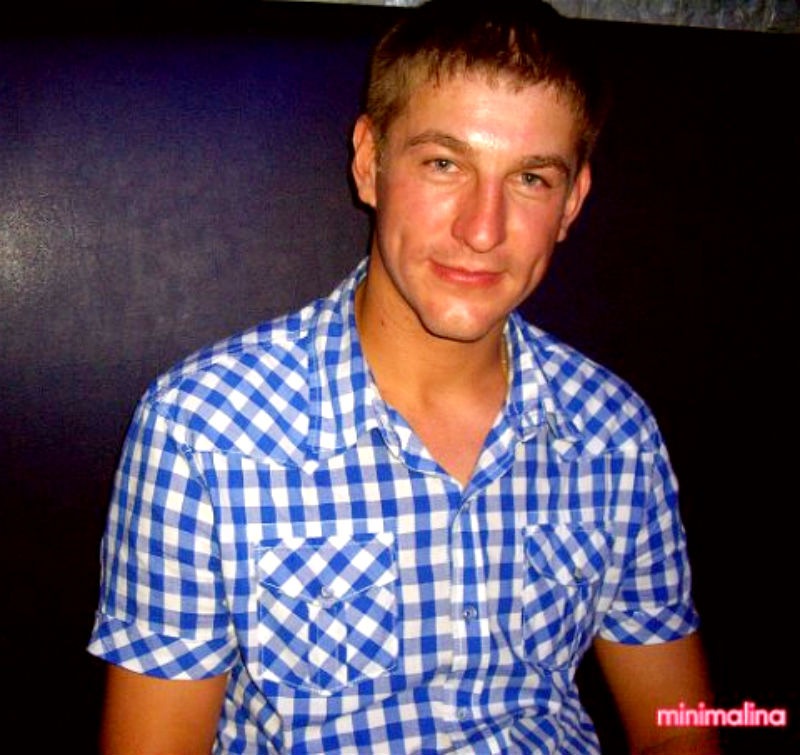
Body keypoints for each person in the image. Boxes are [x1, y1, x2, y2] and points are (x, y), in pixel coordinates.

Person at [88, 1, 720, 753]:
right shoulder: (202, 430)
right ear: (370, 162)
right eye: (444, 163)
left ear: (571, 202)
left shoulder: (616, 433)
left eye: (530, 178)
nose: (482, 229)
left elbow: (681, 726)